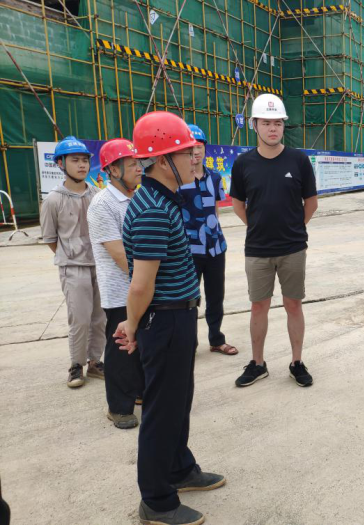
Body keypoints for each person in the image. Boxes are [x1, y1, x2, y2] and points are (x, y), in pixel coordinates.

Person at [114, 112, 225, 525]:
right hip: (164, 321)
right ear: (163, 161)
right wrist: (131, 324)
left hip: (177, 316)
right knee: (162, 411)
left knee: (178, 403)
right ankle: (157, 501)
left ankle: (180, 469)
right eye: (185, 154)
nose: (195, 160)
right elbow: (141, 284)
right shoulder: (153, 210)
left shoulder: (163, 200)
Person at [229, 94, 318, 388]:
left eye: (278, 123)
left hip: (293, 249)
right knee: (258, 306)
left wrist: (294, 228)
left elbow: (311, 203)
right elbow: (238, 204)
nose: (273, 128)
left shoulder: (298, 160)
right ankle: (258, 363)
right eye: (266, 123)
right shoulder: (243, 163)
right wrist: (257, 226)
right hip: (257, 250)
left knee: (293, 304)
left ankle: (296, 362)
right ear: (254, 125)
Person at [87, 139, 145, 429]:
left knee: (142, 344)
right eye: (132, 163)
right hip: (121, 291)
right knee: (121, 348)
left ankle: (139, 392)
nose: (139, 168)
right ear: (112, 170)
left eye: (139, 162)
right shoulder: (102, 205)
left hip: (142, 287)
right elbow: (120, 255)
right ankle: (118, 407)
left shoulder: (139, 197)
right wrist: (148, 279)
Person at [40, 136, 106, 388]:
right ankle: (76, 365)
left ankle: (95, 362)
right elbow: (50, 239)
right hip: (73, 268)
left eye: (85, 160)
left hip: (100, 265)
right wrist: (70, 256)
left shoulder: (98, 195)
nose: (81, 165)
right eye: (75, 160)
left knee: (100, 317)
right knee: (79, 318)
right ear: (60, 163)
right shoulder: (53, 200)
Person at [178, 124, 238, 356]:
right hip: (188, 249)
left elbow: (215, 209)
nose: (195, 151)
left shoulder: (214, 177)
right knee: (188, 299)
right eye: (190, 147)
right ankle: (188, 343)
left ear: (205, 149)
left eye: (199, 147)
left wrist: (214, 233)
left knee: (216, 297)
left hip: (215, 247)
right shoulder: (177, 179)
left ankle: (216, 339)